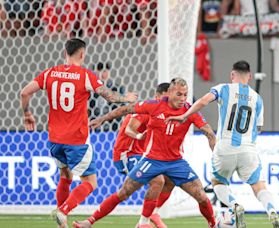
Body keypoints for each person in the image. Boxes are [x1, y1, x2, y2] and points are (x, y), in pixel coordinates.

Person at [19, 38, 137, 228]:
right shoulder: (85, 75)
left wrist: (27, 114)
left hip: (55, 139)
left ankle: (61, 223)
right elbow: (109, 96)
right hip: (76, 140)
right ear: (82, 54)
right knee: (90, 182)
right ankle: (63, 211)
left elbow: (24, 92)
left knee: (65, 176)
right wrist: (126, 98)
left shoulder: (50, 73)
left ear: (64, 52)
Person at [73, 78, 217, 228]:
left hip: (176, 163)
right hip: (152, 160)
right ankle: (90, 222)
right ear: (170, 92)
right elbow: (125, 110)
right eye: (179, 94)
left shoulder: (190, 111)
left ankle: (213, 224)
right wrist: (103, 119)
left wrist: (216, 154)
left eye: (185, 95)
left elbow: (209, 133)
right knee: (125, 192)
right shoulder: (154, 106)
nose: (182, 99)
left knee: (201, 196)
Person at [166, 60, 279, 228]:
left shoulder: (223, 88)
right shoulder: (257, 98)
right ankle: (271, 210)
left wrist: (185, 115)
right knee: (259, 186)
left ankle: (235, 205)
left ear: (232, 75)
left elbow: (203, 101)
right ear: (249, 77)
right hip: (248, 149)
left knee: (218, 182)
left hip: (225, 147)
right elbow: (259, 127)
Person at [112, 82, 172, 228]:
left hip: (143, 155)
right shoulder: (146, 110)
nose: (167, 103)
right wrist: (139, 136)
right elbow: (129, 130)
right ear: (157, 96)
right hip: (126, 154)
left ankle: (153, 213)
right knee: (157, 181)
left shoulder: (165, 113)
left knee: (171, 179)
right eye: (164, 99)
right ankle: (143, 222)